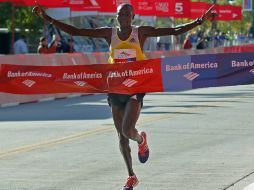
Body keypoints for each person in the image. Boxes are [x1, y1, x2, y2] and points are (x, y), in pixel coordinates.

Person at [33, 4, 216, 190]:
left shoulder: (140, 33)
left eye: (128, 14)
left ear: (133, 16)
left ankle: (140, 140)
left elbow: (174, 30)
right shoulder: (108, 33)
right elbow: (77, 31)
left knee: (128, 130)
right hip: (115, 87)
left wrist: (200, 20)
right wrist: (47, 18)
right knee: (121, 136)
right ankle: (131, 176)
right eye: (121, 14)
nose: (125, 17)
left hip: (136, 86)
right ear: (116, 16)